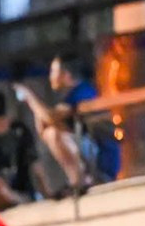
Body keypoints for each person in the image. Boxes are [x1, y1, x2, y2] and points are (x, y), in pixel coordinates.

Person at [18, 55, 117, 192]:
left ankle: (79, 181)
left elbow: (50, 118)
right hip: (92, 156)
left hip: (103, 160)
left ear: (66, 75)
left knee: (54, 134)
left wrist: (29, 97)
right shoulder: (71, 96)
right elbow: (44, 127)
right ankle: (77, 181)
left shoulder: (83, 92)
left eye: (53, 71)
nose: (50, 77)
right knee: (51, 132)